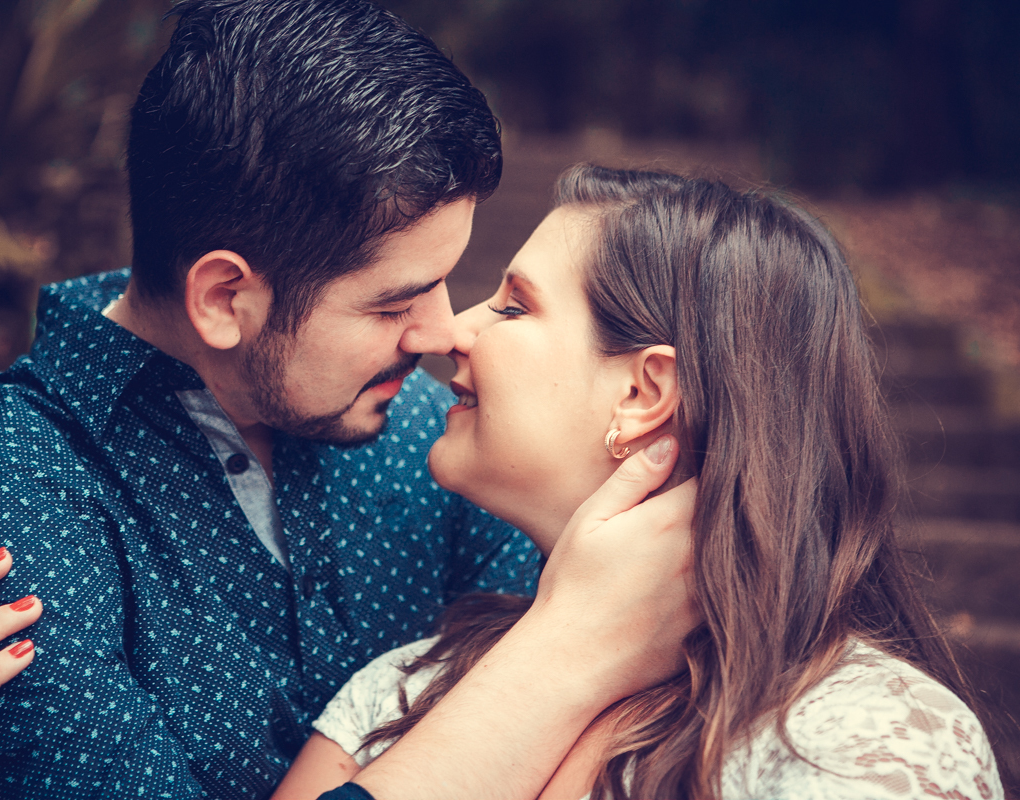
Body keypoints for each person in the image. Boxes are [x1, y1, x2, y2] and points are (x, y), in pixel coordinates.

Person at [0, 2, 697, 799]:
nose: (442, 335)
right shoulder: (2, 498)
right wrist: (571, 648)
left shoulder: (446, 439)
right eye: (390, 304)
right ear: (226, 298)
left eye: (446, 280)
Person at [270, 166, 1007, 799]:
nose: (452, 329)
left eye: (514, 306)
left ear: (646, 392)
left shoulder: (864, 735)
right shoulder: (401, 689)